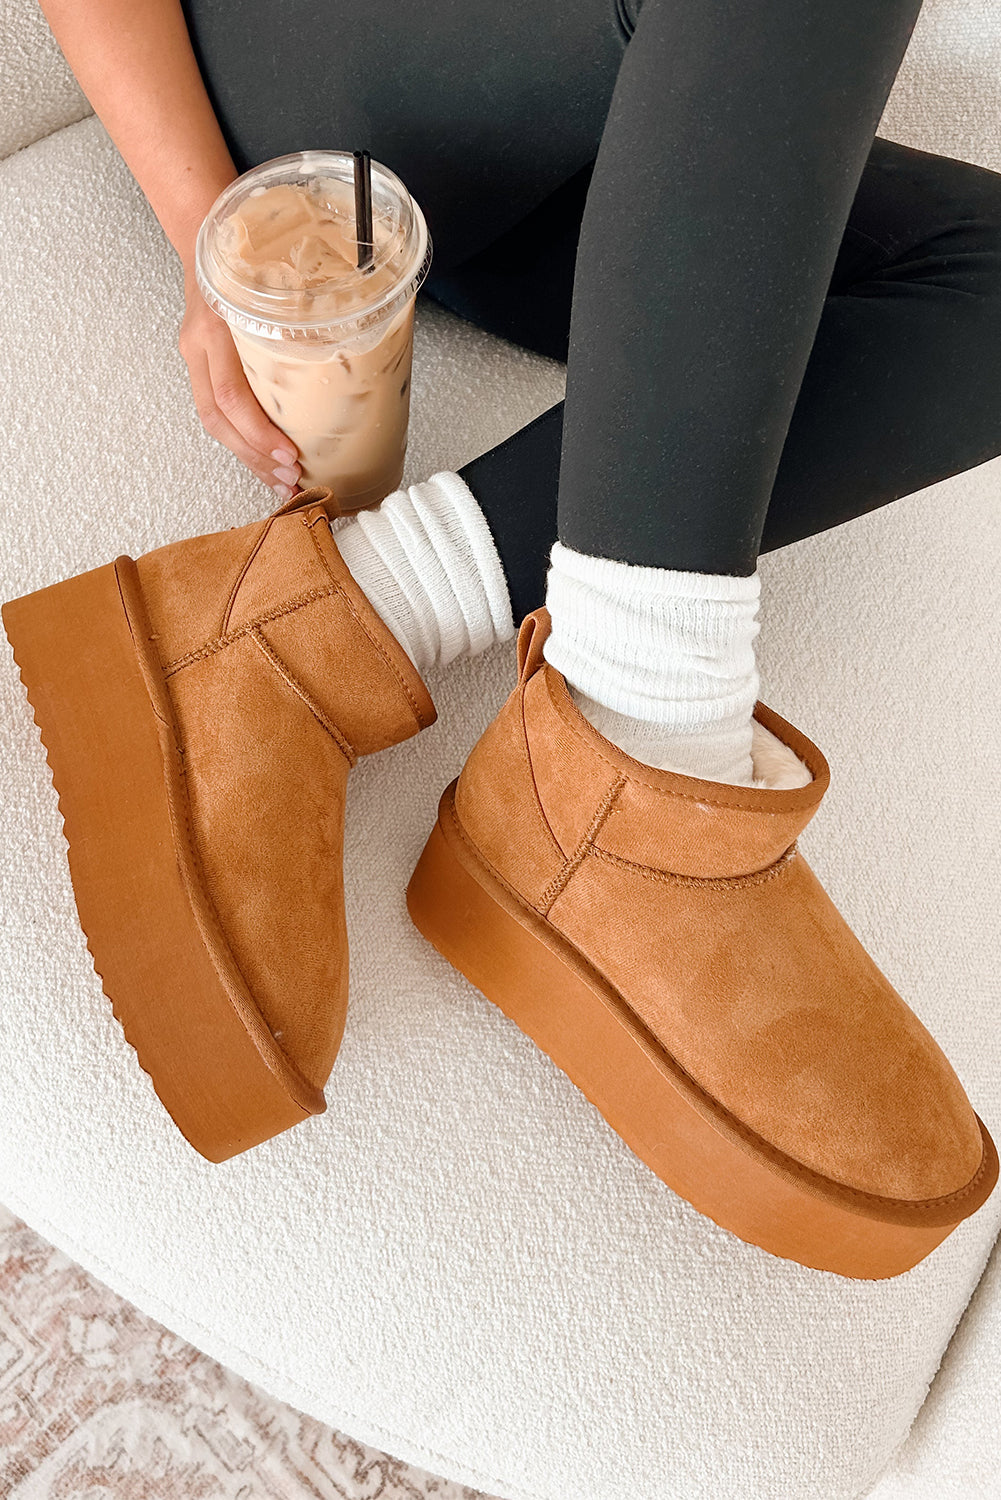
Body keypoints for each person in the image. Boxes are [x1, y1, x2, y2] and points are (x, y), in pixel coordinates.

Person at [11, 0, 1000, 1273]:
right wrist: (218, 242)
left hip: (598, 96)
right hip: (340, 100)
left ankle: (335, 615)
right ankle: (644, 737)